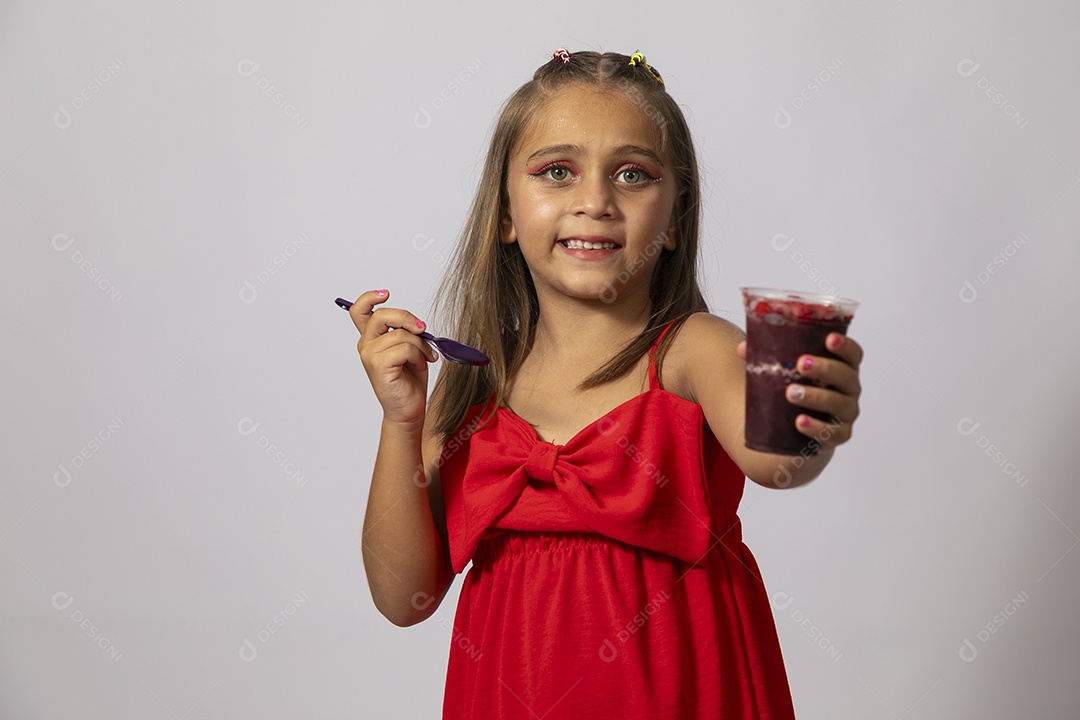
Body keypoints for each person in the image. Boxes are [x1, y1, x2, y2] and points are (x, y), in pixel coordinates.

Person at [348, 49, 864, 720]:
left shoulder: (692, 350)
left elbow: (775, 459)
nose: (595, 202)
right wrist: (400, 421)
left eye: (633, 174)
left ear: (674, 217)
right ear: (505, 213)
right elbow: (401, 597)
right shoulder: (477, 386)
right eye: (556, 172)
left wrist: (813, 414)